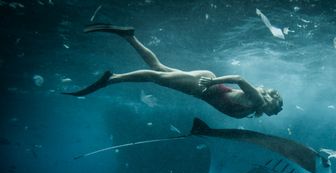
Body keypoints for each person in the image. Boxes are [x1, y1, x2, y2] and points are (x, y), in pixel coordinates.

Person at [63, 24, 283, 119]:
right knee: (154, 77)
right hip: (202, 85)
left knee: (157, 69)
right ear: (269, 99)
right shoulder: (256, 100)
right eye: (276, 107)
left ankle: (128, 35)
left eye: (275, 111)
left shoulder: (254, 108)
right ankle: (112, 79)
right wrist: (209, 83)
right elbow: (239, 78)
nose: (274, 112)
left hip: (203, 86)